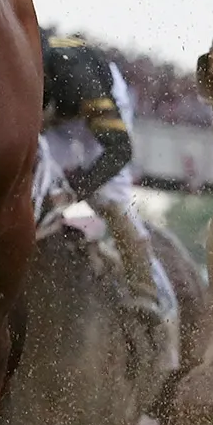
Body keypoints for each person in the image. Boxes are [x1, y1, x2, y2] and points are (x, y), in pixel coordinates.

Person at [41, 30, 174, 366]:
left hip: (101, 103)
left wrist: (76, 191)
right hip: (59, 111)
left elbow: (120, 149)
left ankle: (147, 293)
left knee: (110, 197)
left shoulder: (83, 83)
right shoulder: (16, 74)